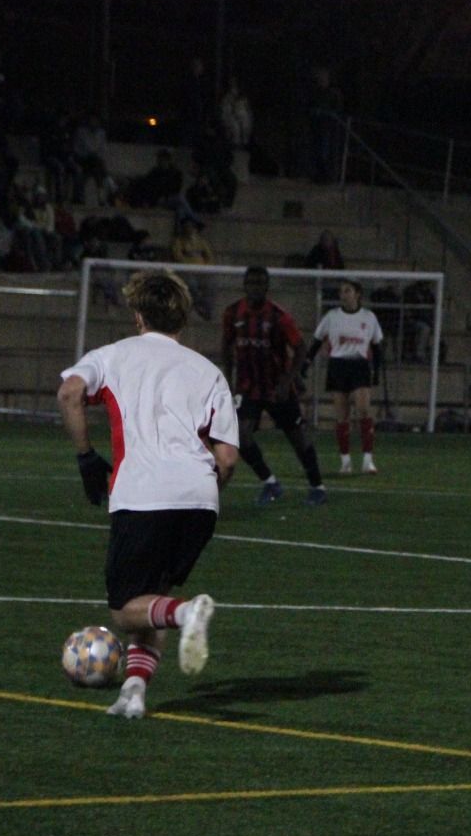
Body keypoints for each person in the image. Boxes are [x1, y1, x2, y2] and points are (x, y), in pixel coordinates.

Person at [56, 269, 239, 720]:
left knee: (124, 611)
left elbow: (69, 393)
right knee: (151, 600)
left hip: (143, 495)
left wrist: (86, 458)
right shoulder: (207, 371)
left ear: (138, 316)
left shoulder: (112, 357)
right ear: (183, 319)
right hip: (200, 497)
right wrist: (204, 492)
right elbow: (229, 457)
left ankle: (187, 614)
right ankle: (133, 693)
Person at [222, 267, 328, 506]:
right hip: (248, 387)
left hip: (276, 388)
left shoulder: (279, 316)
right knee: (240, 434)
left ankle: (317, 486)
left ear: (267, 287)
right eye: (251, 282)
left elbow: (300, 348)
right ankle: (270, 483)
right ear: (244, 285)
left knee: (297, 437)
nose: (255, 287)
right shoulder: (232, 313)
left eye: (260, 283)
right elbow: (226, 347)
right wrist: (229, 381)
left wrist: (288, 380)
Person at [306, 279, 384, 474]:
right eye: (341, 291)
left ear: (357, 294)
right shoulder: (332, 317)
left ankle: (367, 460)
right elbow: (316, 341)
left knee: (364, 410)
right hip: (338, 366)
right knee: (342, 416)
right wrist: (306, 363)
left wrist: (377, 371)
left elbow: (376, 346)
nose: (343, 294)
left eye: (347, 290)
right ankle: (345, 461)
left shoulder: (369, 317)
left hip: (359, 366)